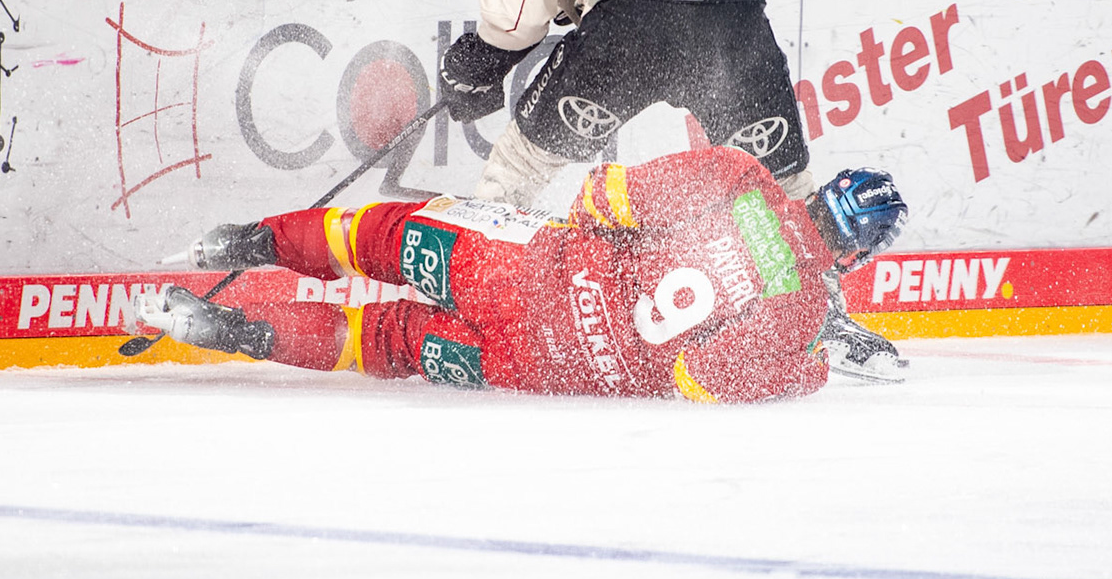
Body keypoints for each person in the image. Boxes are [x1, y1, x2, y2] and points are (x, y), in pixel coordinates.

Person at [436, 0, 907, 379]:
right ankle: (822, 317)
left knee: (524, 163)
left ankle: (471, 286)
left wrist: (478, 64)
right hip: (731, 11)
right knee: (781, 177)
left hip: (630, 23)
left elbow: (514, 16)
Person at [133, 145, 910, 395]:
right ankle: (228, 329)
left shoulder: (739, 177)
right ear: (857, 252)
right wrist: (808, 370)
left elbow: (599, 197)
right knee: (383, 339)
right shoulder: (801, 316)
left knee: (378, 235)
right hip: (540, 364)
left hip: (519, 269)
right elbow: (698, 380)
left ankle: (241, 243)